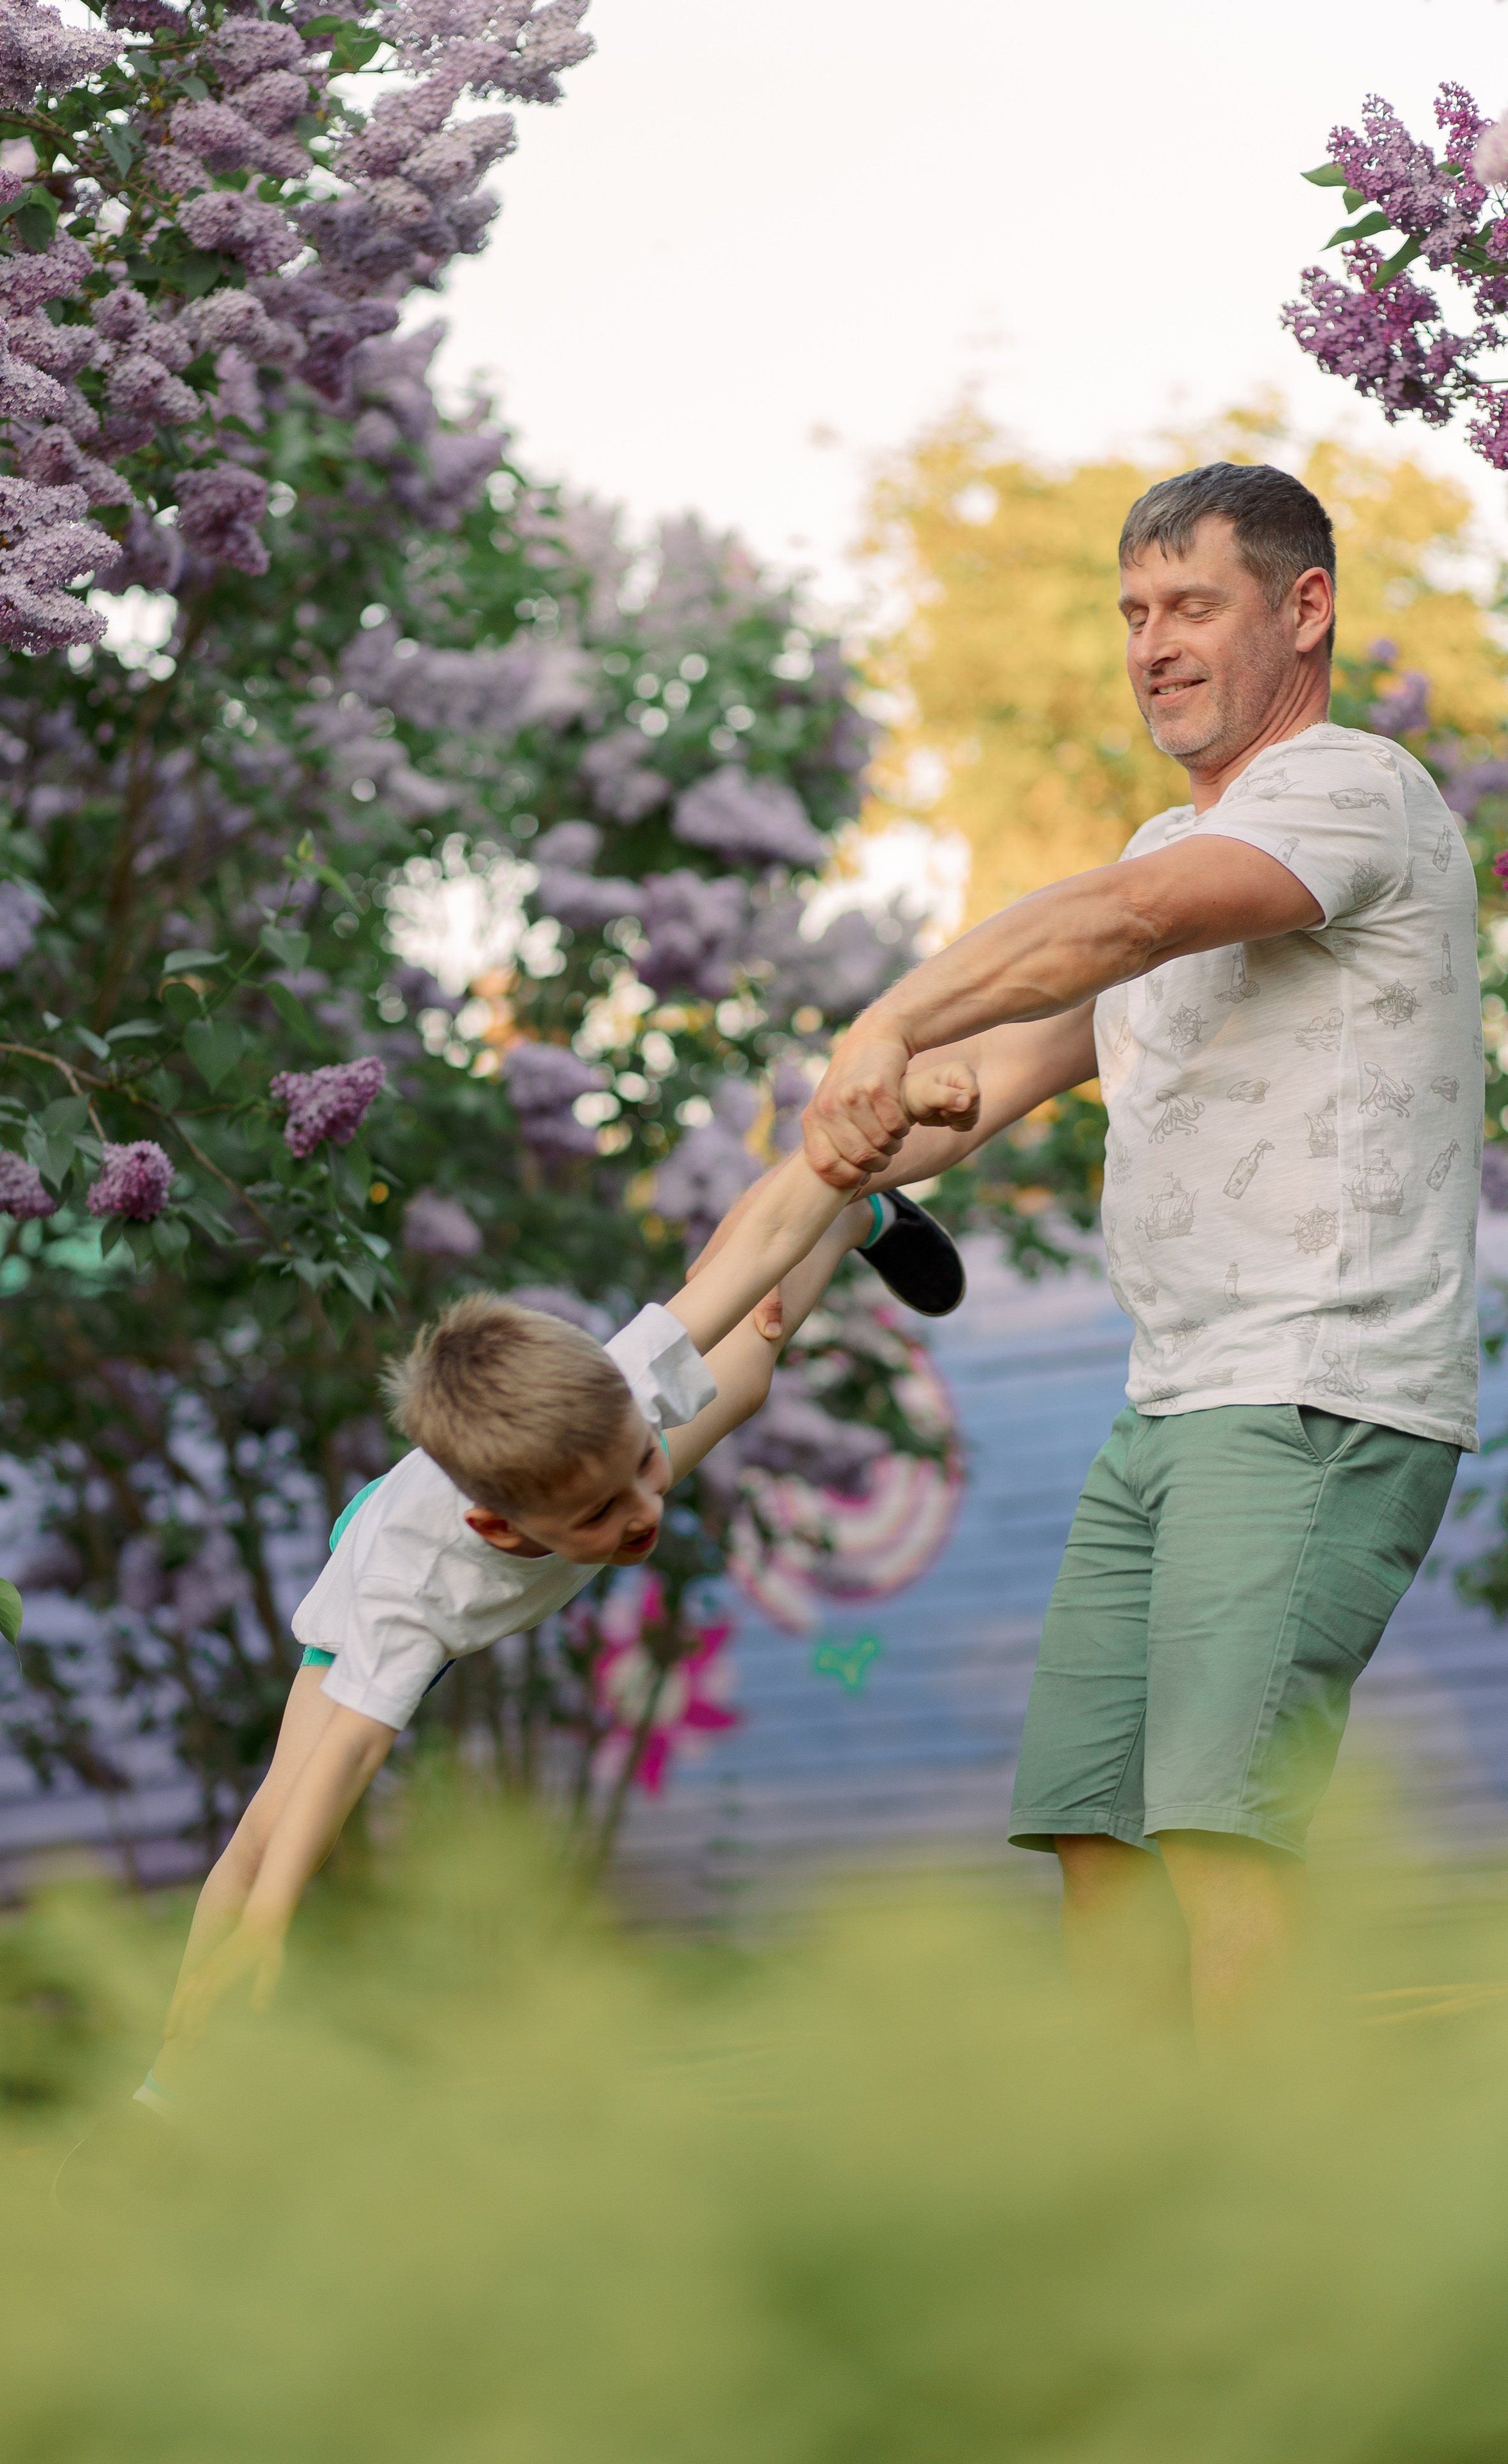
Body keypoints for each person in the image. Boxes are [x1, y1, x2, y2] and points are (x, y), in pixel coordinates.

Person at [794, 461, 1481, 2039]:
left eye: (1191, 605)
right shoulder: (1167, 837)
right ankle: (1128, 2187)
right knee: (1094, 1827)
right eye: (1130, 614)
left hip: (1317, 1384)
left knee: (1215, 1833)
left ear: (1302, 609)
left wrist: (888, 1015)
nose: (1151, 644)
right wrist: (871, 1129)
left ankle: (1268, 2234)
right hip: (1168, 1401)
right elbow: (1011, 1067)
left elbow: (1112, 927)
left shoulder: (1348, 790)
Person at [139, 1061, 972, 2098]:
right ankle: (168, 2083)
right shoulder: (410, 1607)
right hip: (390, 1556)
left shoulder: (607, 1400)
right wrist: (269, 1929)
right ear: (499, 1522)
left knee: (743, 1369)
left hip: (549, 1461)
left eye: (643, 1473)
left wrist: (848, 1148)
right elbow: (345, 1758)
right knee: (267, 1833)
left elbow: (745, 1251)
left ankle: (857, 1217)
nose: (644, 1517)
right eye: (605, 1513)